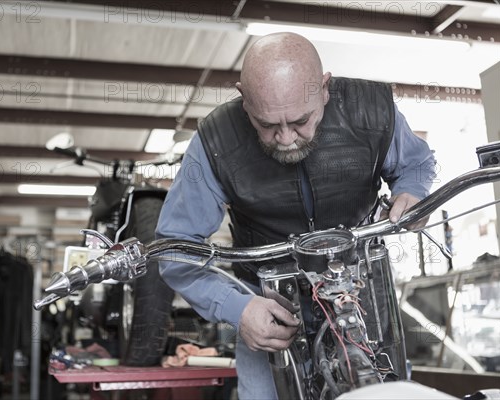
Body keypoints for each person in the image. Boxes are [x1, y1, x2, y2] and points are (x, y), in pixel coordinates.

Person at [155, 33, 435, 399]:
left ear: (324, 88)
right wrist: (237, 308)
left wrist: (413, 193)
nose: (286, 138)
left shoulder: (373, 110)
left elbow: (416, 164)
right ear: (244, 98)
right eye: (267, 125)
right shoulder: (215, 143)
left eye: (301, 120)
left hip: (362, 295)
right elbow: (175, 248)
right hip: (266, 311)